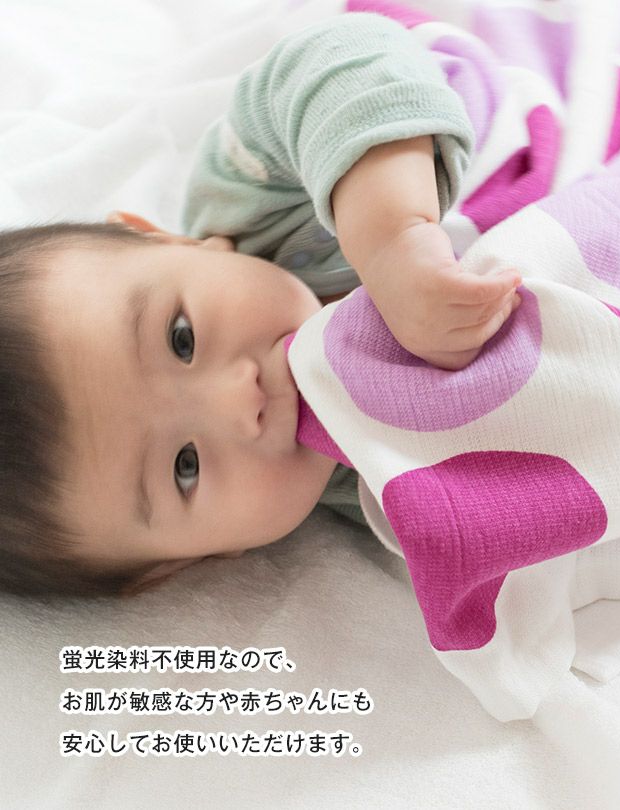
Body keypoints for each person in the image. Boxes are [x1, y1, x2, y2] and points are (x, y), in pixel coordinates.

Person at [0, 12, 520, 600]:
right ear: (189, 559)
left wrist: (390, 238)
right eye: (186, 468)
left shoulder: (257, 199)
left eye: (181, 339)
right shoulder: (391, 490)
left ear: (163, 240)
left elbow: (342, 56)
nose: (237, 400)